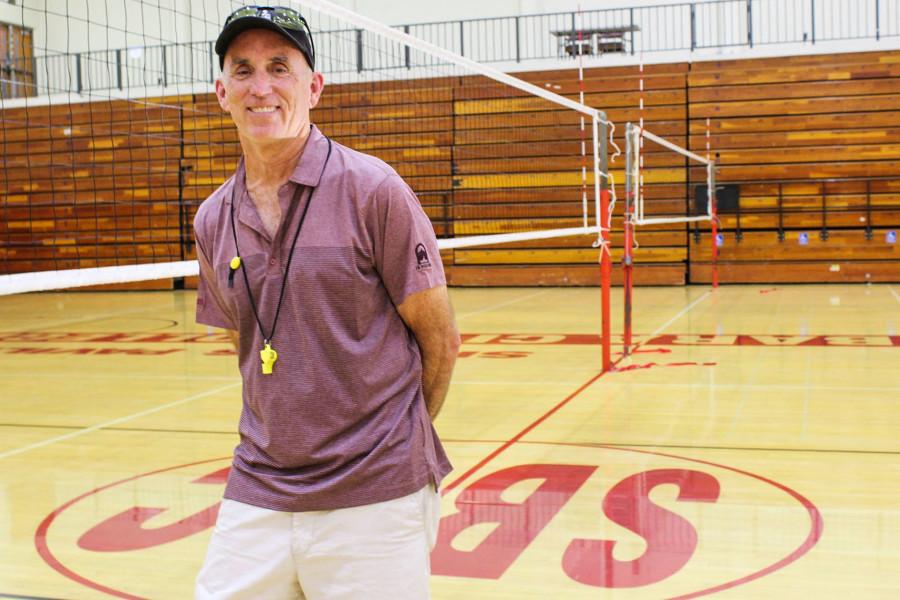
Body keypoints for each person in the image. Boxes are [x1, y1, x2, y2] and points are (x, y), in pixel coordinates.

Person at [192, 6, 459, 599]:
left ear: (314, 87)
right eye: (243, 71)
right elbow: (253, 345)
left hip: (376, 494)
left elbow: (440, 343)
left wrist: (387, 442)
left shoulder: (374, 190)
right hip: (258, 489)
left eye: (280, 68)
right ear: (221, 92)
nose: (261, 87)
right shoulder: (212, 219)